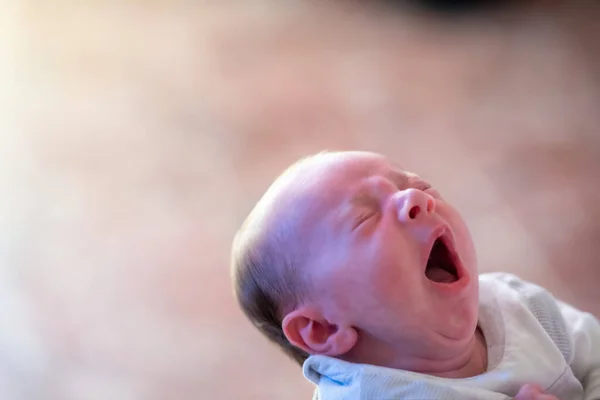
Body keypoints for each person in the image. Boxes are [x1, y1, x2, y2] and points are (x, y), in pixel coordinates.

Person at [230, 150, 600, 400]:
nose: (415, 199)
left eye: (415, 185)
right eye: (365, 219)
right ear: (324, 327)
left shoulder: (517, 305)